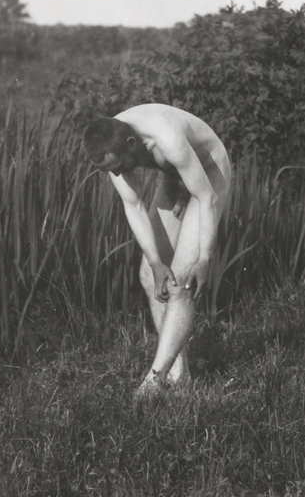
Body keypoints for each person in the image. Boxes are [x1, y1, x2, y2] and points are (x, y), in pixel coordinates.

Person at [83, 103, 231, 394]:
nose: (119, 174)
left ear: (132, 144)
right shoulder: (113, 142)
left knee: (182, 282)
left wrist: (204, 256)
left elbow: (206, 198)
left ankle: (153, 382)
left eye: (121, 166)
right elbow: (134, 205)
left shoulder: (167, 138)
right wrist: (154, 262)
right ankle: (180, 376)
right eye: (109, 171)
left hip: (209, 177)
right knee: (152, 278)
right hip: (174, 174)